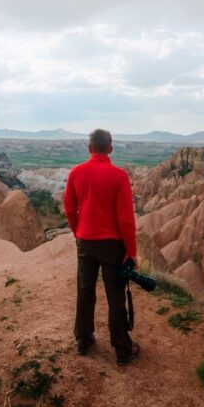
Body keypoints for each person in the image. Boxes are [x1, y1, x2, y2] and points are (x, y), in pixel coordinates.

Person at [63, 128, 140, 365]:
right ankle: (122, 349)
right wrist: (131, 250)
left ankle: (83, 339)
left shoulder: (76, 173)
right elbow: (126, 218)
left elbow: (69, 207)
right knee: (115, 295)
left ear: (89, 149)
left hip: (86, 242)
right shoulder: (119, 176)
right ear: (110, 149)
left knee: (85, 290)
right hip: (112, 245)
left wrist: (79, 232)